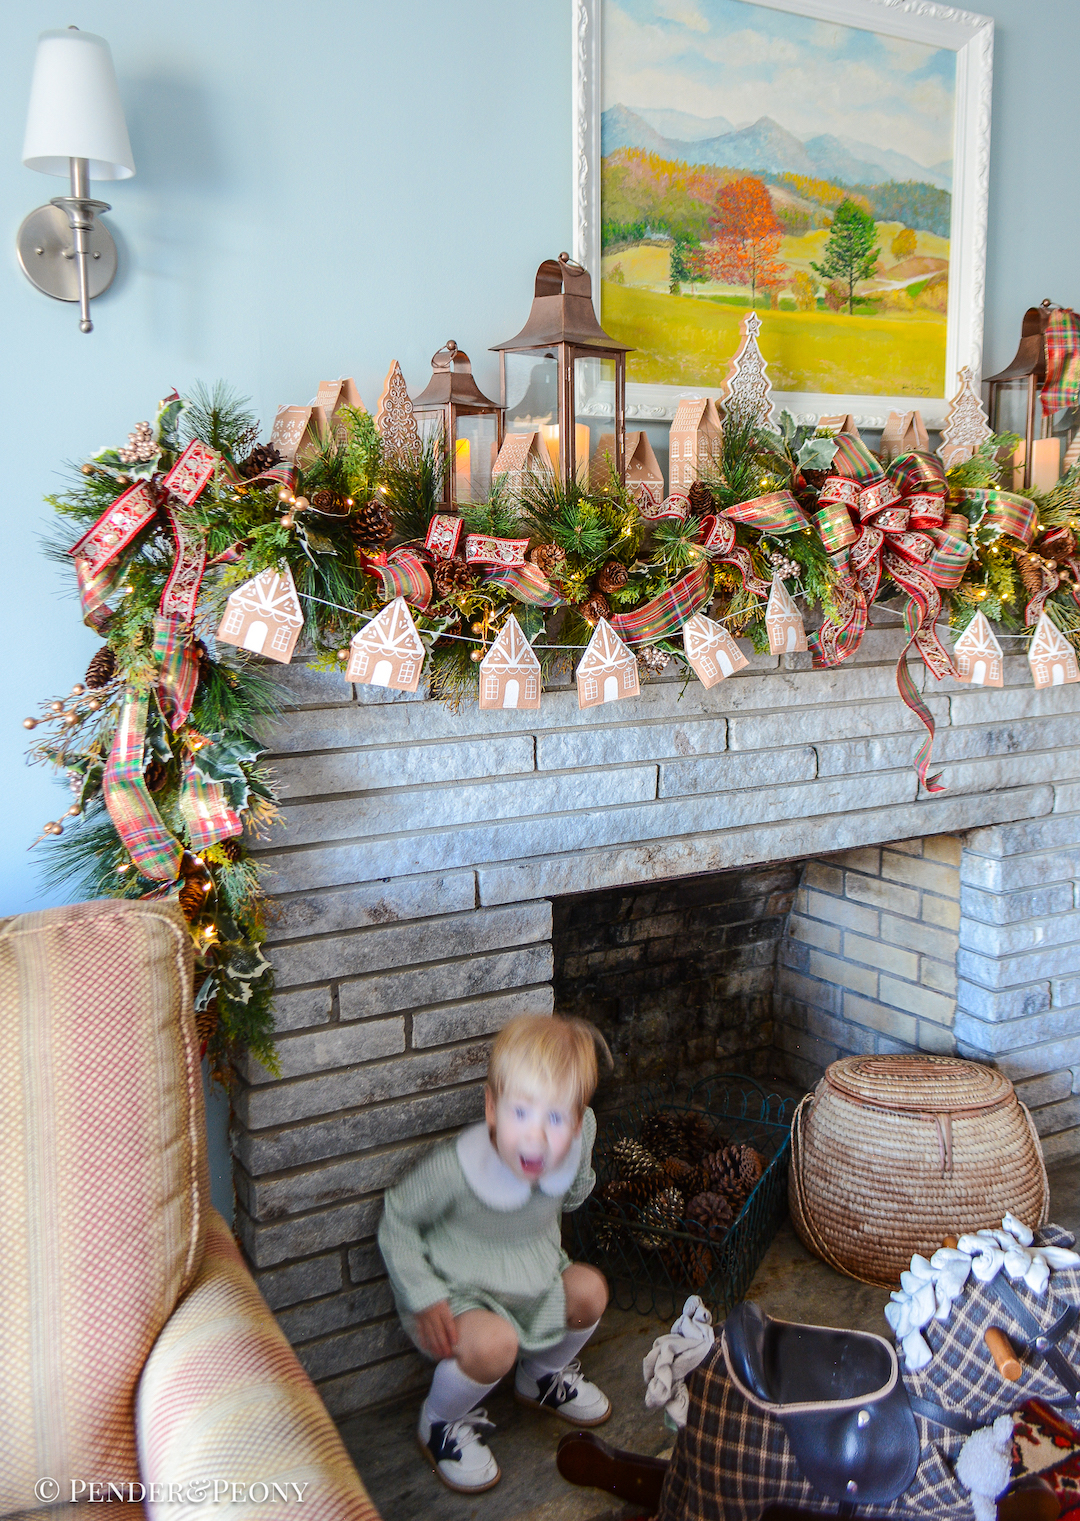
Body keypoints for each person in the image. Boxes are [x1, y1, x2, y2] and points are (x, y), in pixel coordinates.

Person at [377, 1014, 612, 1493]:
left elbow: (571, 1193)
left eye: (556, 1118)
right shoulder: (457, 1169)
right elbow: (397, 1219)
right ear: (491, 1107)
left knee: (590, 1291)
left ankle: (542, 1376)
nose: (537, 1137)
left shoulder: (580, 1131)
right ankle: (439, 1422)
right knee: (494, 1344)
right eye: (521, 1114)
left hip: (536, 1277)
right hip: (462, 1294)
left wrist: (578, 1148)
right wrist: (423, 1294)